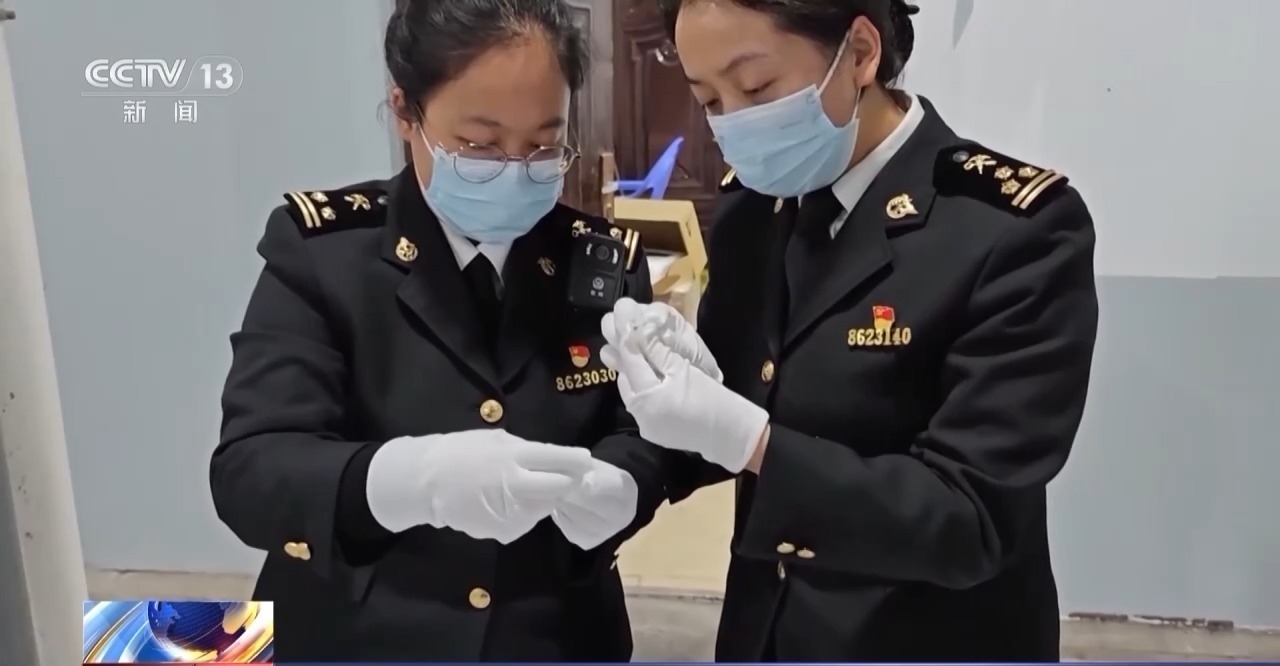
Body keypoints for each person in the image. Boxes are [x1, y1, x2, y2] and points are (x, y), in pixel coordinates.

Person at [599, 0, 1099, 661]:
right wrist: (618, 468)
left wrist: (755, 444)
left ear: (860, 52)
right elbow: (720, 409)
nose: (732, 123)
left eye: (756, 88)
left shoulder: (1011, 232)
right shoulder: (754, 213)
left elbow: (971, 519)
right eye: (709, 100)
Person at [209, 0, 668, 661]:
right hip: (357, 634)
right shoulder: (324, 254)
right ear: (406, 112)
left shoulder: (600, 261)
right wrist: (406, 480)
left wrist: (626, 482)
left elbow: (643, 430)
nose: (516, 168)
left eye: (544, 145)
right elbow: (250, 472)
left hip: (552, 633)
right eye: (480, 145)